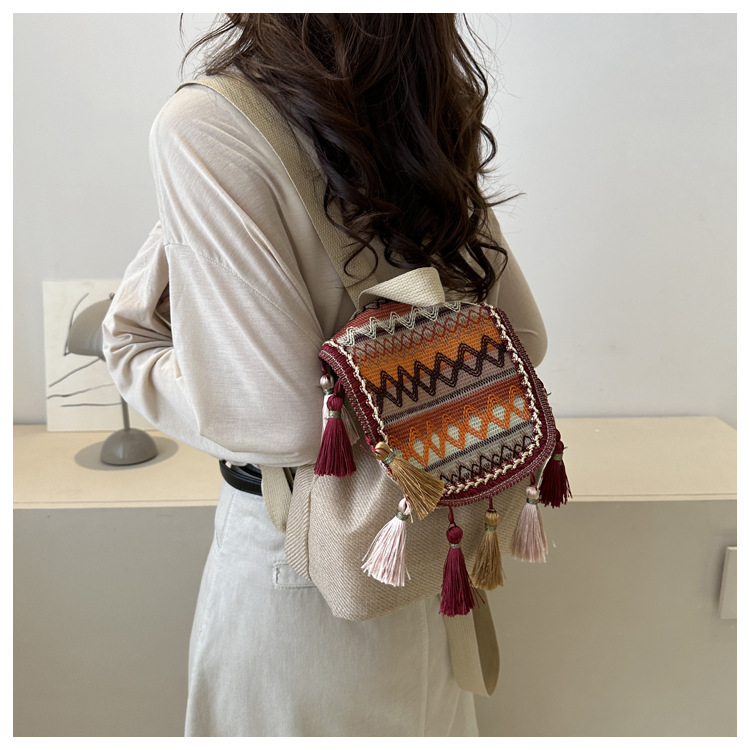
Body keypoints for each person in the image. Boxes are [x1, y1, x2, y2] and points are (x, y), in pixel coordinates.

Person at [102, 13, 547, 737]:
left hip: (306, 569)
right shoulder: (421, 101)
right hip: (435, 548)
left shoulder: (209, 125)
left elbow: (278, 422)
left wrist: (129, 351)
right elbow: (523, 337)